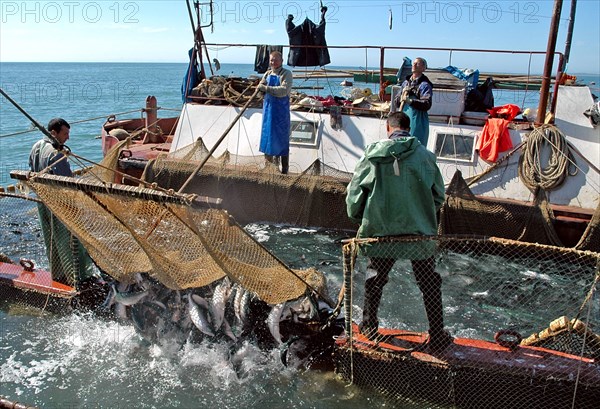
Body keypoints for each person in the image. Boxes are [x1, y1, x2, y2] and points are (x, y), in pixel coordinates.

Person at [345, 112, 453, 352]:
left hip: (381, 232)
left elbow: (354, 198)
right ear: (409, 128)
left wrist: (361, 218)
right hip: (419, 233)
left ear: (388, 128)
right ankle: (437, 334)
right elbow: (438, 197)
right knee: (428, 282)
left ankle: (369, 327)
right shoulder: (425, 157)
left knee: (375, 279)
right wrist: (422, 214)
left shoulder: (372, 158)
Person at [29, 118, 94, 287]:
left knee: (51, 238)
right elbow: (68, 183)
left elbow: (31, 168)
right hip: (60, 205)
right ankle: (79, 278)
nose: (67, 138)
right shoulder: (56, 154)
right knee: (70, 242)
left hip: (43, 202)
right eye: (65, 134)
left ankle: (58, 274)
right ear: (53, 133)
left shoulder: (36, 146)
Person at [258, 50, 293, 174]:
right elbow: (261, 88)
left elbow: (283, 90)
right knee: (267, 138)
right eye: (271, 60)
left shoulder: (286, 74)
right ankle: (269, 167)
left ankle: (284, 170)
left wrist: (266, 88)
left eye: (276, 60)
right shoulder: (267, 73)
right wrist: (260, 88)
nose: (273, 62)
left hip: (281, 114)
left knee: (281, 140)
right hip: (268, 112)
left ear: (281, 61)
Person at [394, 57, 433, 148]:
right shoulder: (405, 83)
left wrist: (410, 101)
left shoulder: (424, 85)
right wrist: (401, 97)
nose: (414, 65)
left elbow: (427, 104)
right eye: (413, 63)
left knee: (415, 146)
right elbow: (396, 102)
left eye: (417, 64)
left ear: (423, 68)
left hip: (417, 122)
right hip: (404, 119)